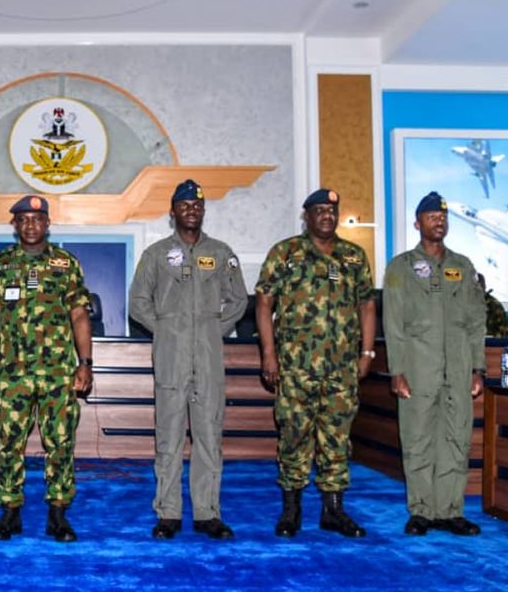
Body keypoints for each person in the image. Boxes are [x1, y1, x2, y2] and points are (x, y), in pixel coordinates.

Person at [128, 179, 248, 540]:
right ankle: (168, 512)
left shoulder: (222, 253)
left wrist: (212, 328)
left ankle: (207, 513)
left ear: (203, 211)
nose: (191, 210)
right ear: (173, 212)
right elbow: (138, 303)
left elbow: (239, 300)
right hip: (171, 358)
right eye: (184, 205)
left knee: (209, 435)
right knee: (169, 437)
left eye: (197, 205)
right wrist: (167, 329)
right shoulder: (156, 254)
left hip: (209, 359)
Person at [255, 188, 376, 539]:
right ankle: (291, 510)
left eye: (331, 211)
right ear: (306, 216)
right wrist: (268, 353)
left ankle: (333, 511)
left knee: (337, 438)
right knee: (293, 435)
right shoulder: (285, 252)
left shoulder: (353, 256)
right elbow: (264, 303)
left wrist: (367, 353)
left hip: (341, 368)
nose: (327, 216)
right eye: (319, 210)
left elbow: (367, 305)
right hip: (296, 367)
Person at [0, 195, 93, 543]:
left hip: (58, 373)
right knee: (9, 442)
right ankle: (10, 512)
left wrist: (85, 363)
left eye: (37, 219)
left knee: (60, 442)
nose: (30, 225)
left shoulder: (66, 263)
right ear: (15, 225)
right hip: (12, 373)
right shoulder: (0, 265)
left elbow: (79, 314)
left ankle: (58, 514)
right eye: (24, 219)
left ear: (47, 224)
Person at [383, 191, 486, 536]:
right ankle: (422, 511)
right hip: (417, 369)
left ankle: (450, 511)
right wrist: (397, 371)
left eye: (443, 217)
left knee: (456, 439)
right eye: (431, 217)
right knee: (418, 440)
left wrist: (477, 368)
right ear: (418, 224)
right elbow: (393, 323)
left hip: (457, 368)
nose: (439, 222)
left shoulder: (463, 266)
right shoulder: (400, 268)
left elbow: (476, 321)